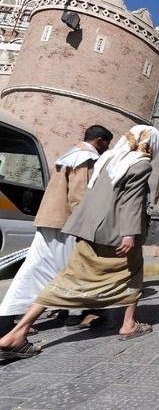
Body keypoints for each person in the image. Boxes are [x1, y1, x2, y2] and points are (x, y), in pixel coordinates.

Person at [0, 125, 159, 358]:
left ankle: (17, 332)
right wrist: (129, 232)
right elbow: (132, 200)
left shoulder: (108, 159)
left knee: (67, 278)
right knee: (134, 273)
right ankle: (128, 324)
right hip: (115, 233)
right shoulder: (140, 164)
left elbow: (90, 193)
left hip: (87, 229)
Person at [0, 125, 113, 333]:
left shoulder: (68, 155)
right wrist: (89, 226)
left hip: (48, 219)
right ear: (99, 140)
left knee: (34, 269)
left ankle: (5, 321)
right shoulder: (86, 158)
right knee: (71, 268)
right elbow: (79, 197)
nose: (106, 148)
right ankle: (75, 315)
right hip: (66, 224)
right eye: (107, 143)